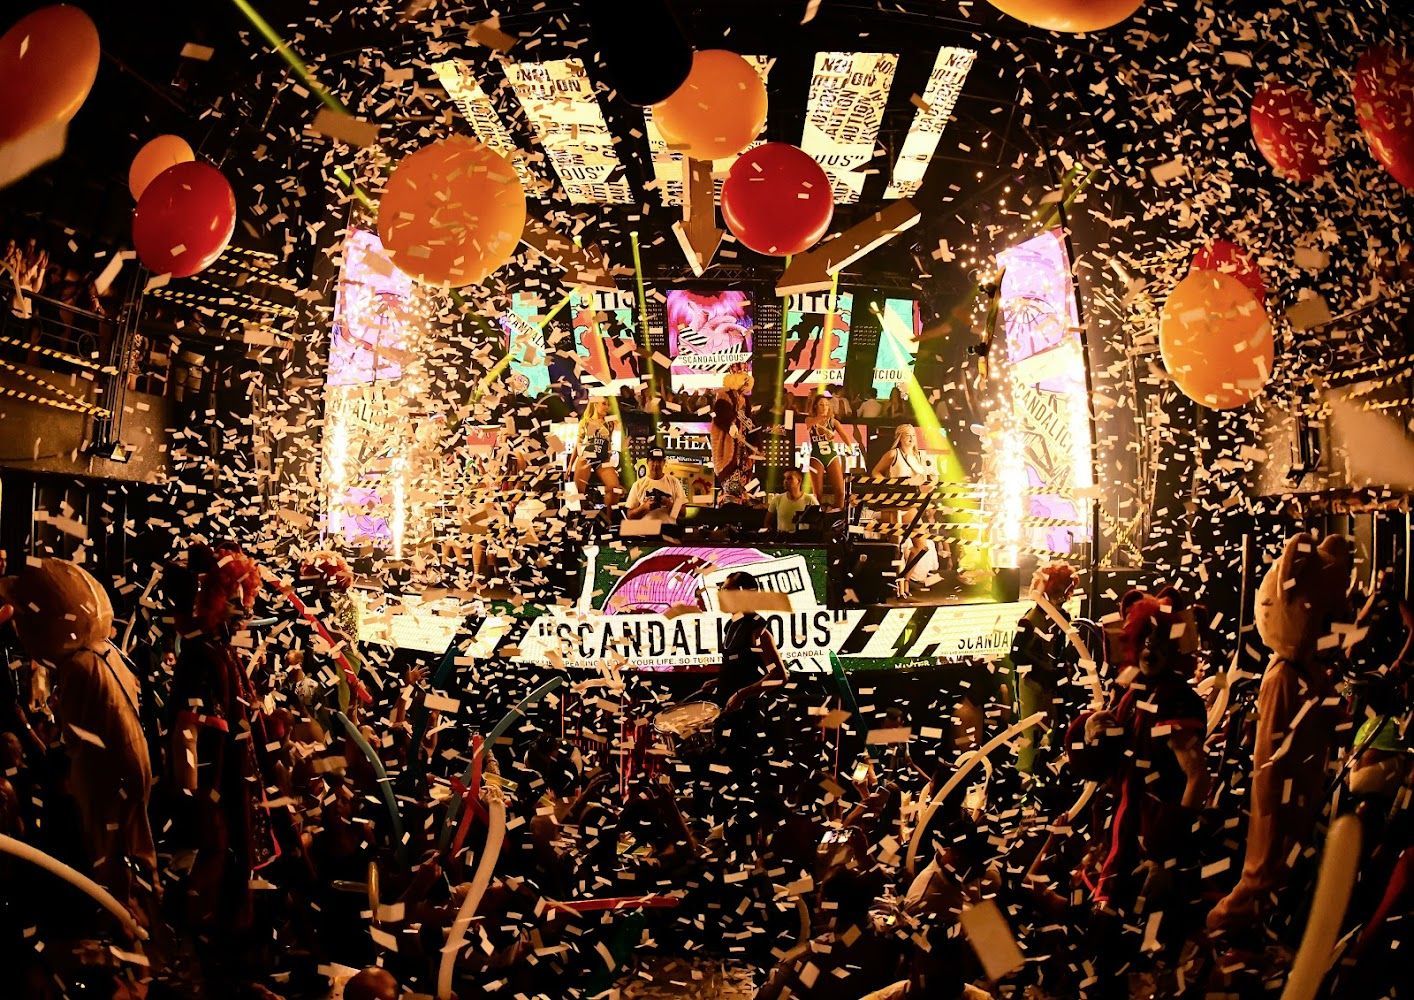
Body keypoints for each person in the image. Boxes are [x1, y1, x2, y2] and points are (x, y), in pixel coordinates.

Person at [712, 572, 787, 713]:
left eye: (728, 591)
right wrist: (719, 682)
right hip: (730, 709)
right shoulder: (731, 626)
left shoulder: (758, 630)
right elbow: (745, 670)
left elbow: (779, 675)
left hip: (750, 713)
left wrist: (742, 695)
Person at [710, 367, 761, 506]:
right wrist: (729, 425)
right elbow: (721, 414)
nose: (746, 387)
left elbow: (751, 424)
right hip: (729, 447)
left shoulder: (745, 401)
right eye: (744, 383)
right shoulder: (724, 396)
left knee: (743, 480)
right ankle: (729, 506)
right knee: (731, 481)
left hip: (743, 450)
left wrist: (756, 444)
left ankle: (741, 503)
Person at [871, 424, 935, 526]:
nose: (911, 438)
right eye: (908, 435)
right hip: (896, 502)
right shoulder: (893, 454)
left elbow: (929, 477)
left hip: (915, 501)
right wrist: (888, 484)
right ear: (900, 437)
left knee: (919, 539)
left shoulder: (919, 456)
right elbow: (875, 472)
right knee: (900, 538)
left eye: (913, 435)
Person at [570, 396, 623, 507]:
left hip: (602, 460)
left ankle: (609, 520)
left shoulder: (610, 422)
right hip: (586, 458)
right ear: (595, 404)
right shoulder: (586, 421)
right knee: (578, 493)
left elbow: (610, 443)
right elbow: (578, 443)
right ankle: (580, 519)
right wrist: (571, 464)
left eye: (608, 404)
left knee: (615, 488)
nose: (607, 407)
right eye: (604, 404)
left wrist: (609, 460)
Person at [806, 394, 850, 510]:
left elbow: (845, 436)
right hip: (816, 457)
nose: (824, 407)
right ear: (815, 406)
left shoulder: (833, 421)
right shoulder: (810, 419)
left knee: (840, 491)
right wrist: (823, 423)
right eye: (821, 404)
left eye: (826, 404)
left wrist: (849, 447)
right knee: (817, 493)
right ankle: (818, 517)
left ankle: (837, 515)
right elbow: (809, 425)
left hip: (831, 456)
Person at [623, 446, 685, 523]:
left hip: (668, 531)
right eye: (652, 460)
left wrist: (669, 504)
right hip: (646, 531)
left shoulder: (674, 482)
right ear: (647, 462)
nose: (656, 464)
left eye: (659, 461)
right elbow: (629, 516)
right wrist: (645, 507)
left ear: (664, 462)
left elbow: (683, 513)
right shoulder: (638, 485)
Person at [764, 468, 818, 533]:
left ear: (799, 481)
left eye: (789, 478)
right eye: (785, 478)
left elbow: (818, 522)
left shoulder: (810, 499)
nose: (785, 481)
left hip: (802, 539)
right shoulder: (777, 499)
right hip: (783, 539)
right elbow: (767, 522)